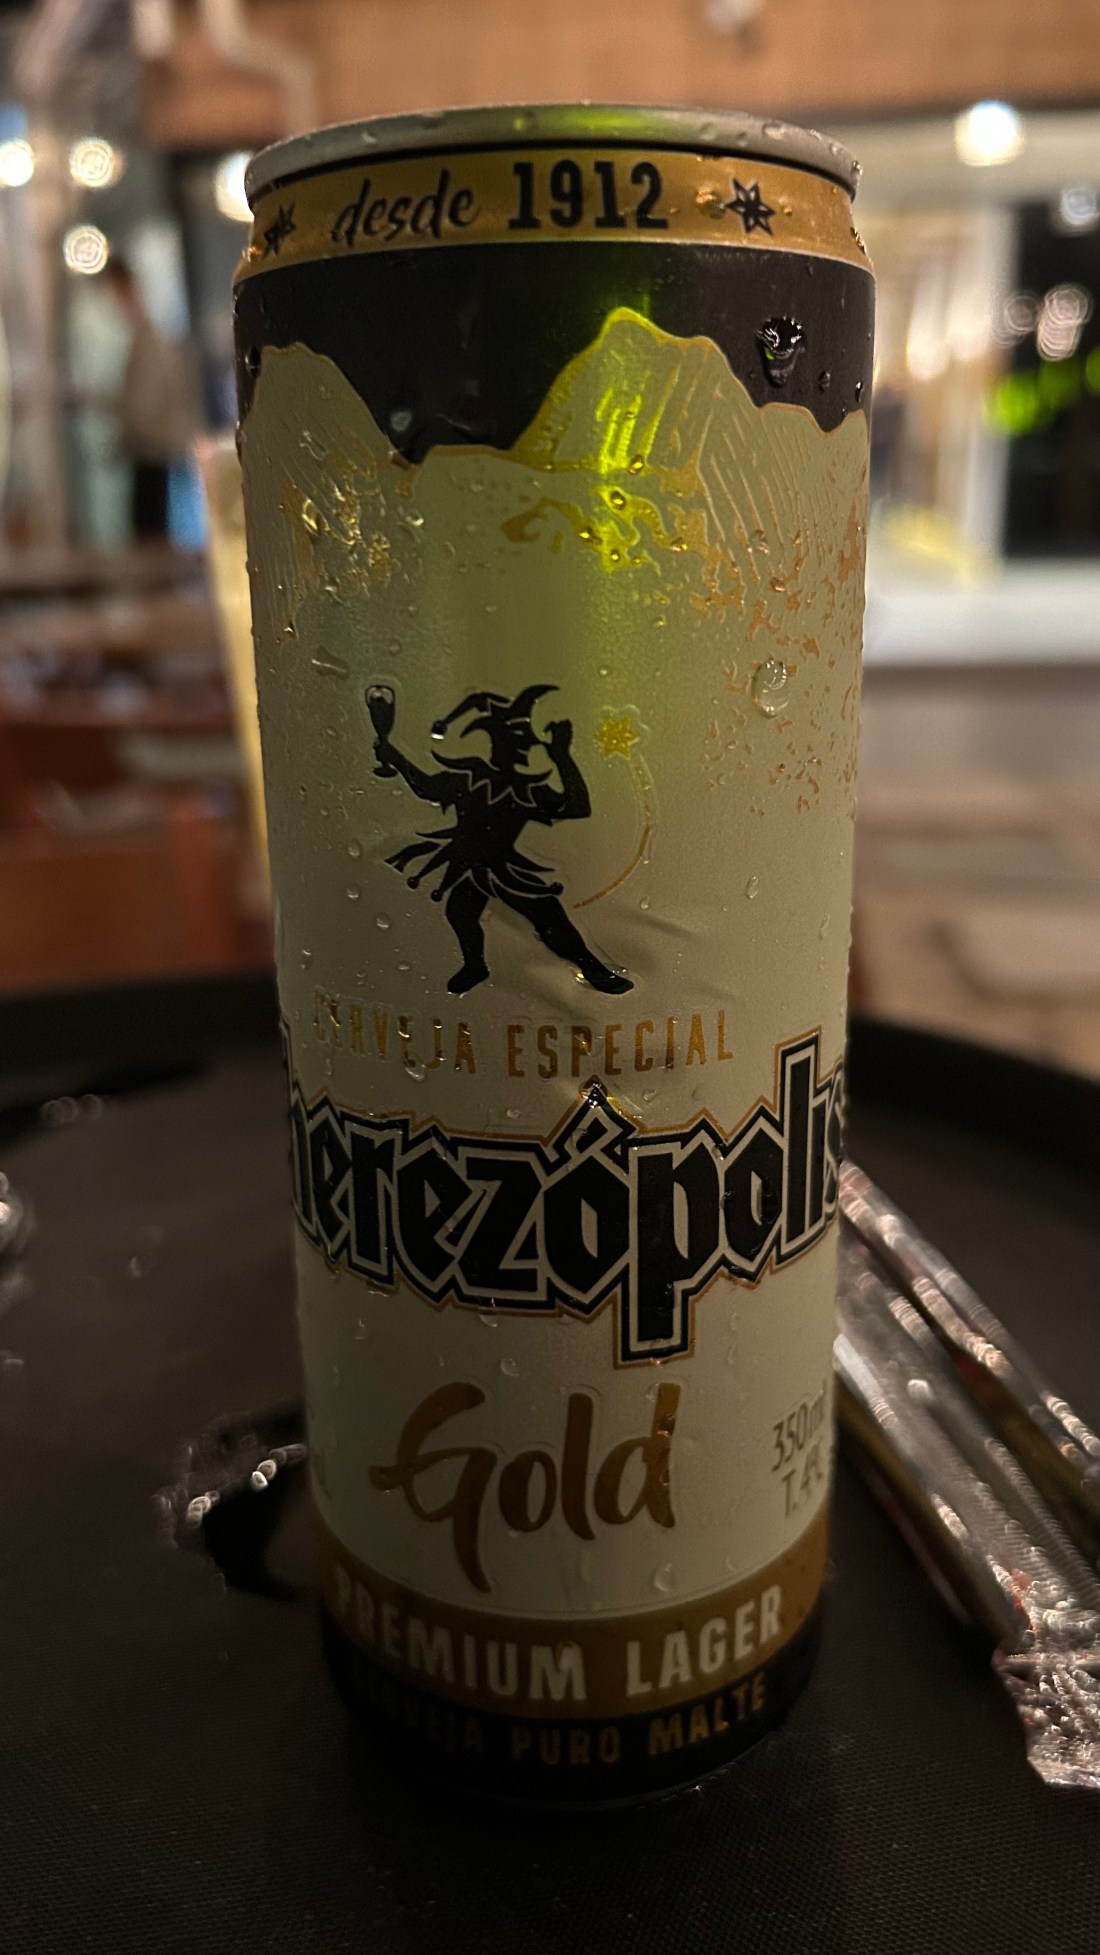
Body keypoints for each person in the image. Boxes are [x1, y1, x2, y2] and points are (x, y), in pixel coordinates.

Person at [369, 682, 633, 997]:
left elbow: (576, 807)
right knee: (460, 912)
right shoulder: (471, 777)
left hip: (504, 867)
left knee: (549, 920)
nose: (527, 745)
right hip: (471, 863)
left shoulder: (524, 788)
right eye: (519, 739)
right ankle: (475, 966)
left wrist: (562, 756)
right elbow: (425, 787)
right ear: (499, 740)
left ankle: (592, 968)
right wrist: (395, 757)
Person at [105, 254, 199, 541]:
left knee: (151, 534)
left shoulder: (148, 336)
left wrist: (123, 425)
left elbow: (145, 406)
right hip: (150, 450)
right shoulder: (146, 334)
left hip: (151, 451)